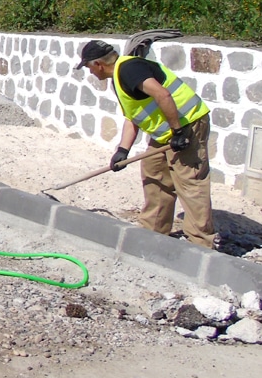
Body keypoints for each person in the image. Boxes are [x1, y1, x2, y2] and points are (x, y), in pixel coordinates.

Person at [76, 39, 215, 248]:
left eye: (88, 67)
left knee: (190, 182)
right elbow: (133, 117)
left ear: (98, 64)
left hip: (188, 125)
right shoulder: (119, 78)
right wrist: (122, 150)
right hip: (166, 133)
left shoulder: (129, 69)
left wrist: (178, 132)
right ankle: (153, 232)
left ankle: (200, 245)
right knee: (154, 173)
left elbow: (162, 94)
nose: (91, 73)